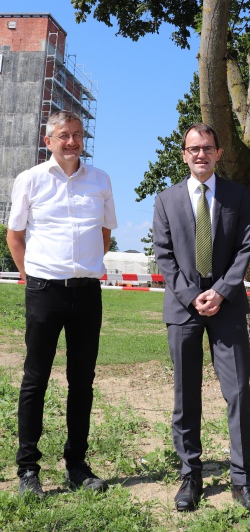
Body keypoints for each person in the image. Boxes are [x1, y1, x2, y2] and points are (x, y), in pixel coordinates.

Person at [152, 123, 250, 514]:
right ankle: (190, 475)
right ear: (184, 155)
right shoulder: (166, 200)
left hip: (228, 306)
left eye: (207, 148)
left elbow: (246, 248)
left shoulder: (237, 195)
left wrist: (220, 291)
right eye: (193, 148)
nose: (200, 154)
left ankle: (242, 479)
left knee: (238, 392)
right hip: (182, 308)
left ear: (218, 153)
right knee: (185, 395)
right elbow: (164, 256)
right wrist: (192, 296)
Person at [7, 110, 117, 498]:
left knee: (82, 381)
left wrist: (83, 267)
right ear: (48, 140)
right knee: (35, 379)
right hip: (44, 292)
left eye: (77, 135)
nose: (71, 142)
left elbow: (104, 234)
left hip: (86, 293)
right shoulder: (30, 180)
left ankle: (77, 465)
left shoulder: (100, 180)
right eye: (64, 135)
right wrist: (32, 276)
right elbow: (15, 235)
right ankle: (28, 469)